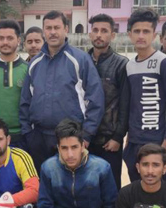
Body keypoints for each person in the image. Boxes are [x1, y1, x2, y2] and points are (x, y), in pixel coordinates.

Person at [20, 11, 104, 172]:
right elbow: (25, 101)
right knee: (44, 181)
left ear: (66, 29)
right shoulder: (34, 63)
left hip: (71, 140)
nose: (52, 32)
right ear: (43, 31)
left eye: (57, 27)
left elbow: (95, 99)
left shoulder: (80, 60)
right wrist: (28, 134)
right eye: (48, 28)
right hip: (39, 138)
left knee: (71, 183)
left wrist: (86, 135)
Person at [121, 8, 166, 183]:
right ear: (129, 34)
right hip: (135, 141)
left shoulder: (165, 62)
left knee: (158, 191)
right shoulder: (130, 66)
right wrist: (129, 139)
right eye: (137, 31)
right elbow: (131, 105)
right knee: (137, 189)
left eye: (146, 31)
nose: (141, 36)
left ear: (154, 35)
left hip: (158, 141)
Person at [87, 13, 128, 190]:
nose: (99, 35)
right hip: (85, 139)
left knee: (111, 188)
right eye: (95, 30)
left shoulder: (121, 64)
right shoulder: (82, 61)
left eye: (104, 31)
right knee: (88, 188)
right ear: (90, 34)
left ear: (112, 35)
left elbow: (125, 104)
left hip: (109, 140)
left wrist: (118, 137)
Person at [0, 20, 28, 149]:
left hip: (21, 135)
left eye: (10, 38)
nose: (5, 42)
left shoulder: (29, 69)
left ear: (18, 40)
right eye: (1, 38)